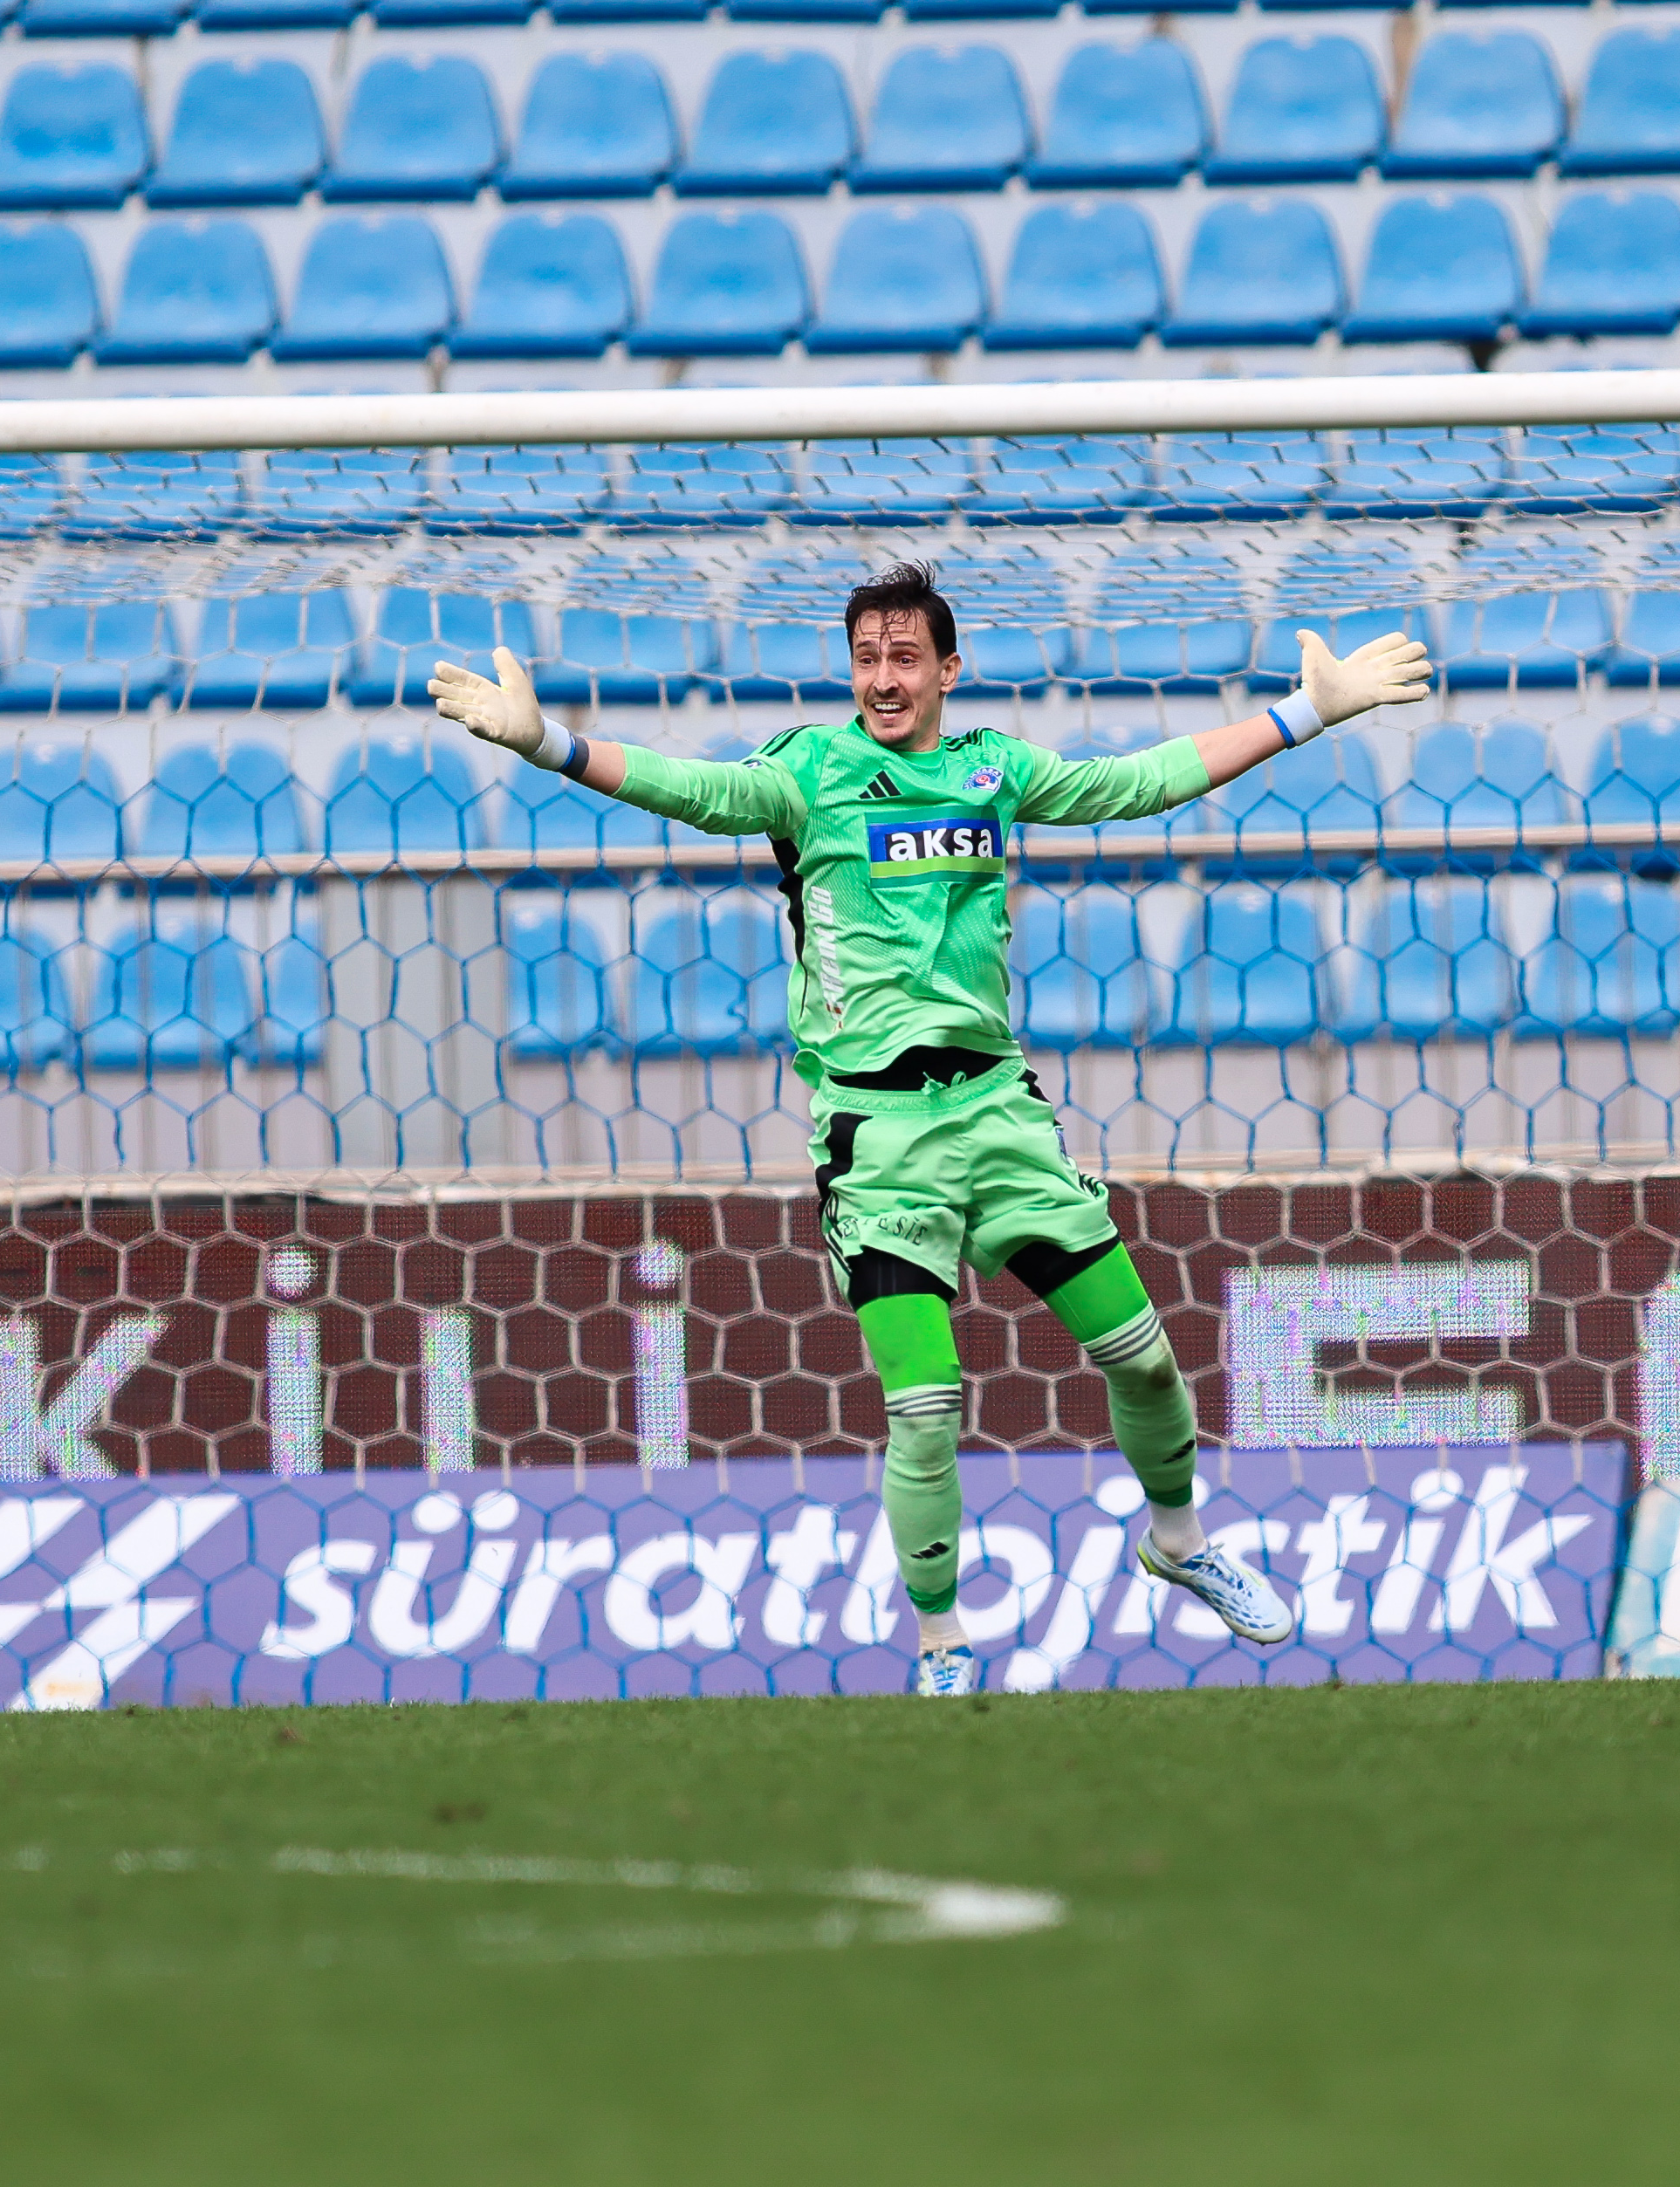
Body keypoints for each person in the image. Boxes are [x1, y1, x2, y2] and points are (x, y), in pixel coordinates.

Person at [431, 560, 1433, 1697]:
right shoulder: (809, 773)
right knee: (924, 1403)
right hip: (878, 1136)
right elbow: (691, 788)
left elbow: (1136, 782)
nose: (882, 678)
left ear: (948, 670)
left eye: (904, 657)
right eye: (866, 658)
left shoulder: (990, 771)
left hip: (1000, 1115)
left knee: (1143, 1359)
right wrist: (547, 744)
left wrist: (1305, 713)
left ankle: (1178, 1539)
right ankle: (943, 1646)